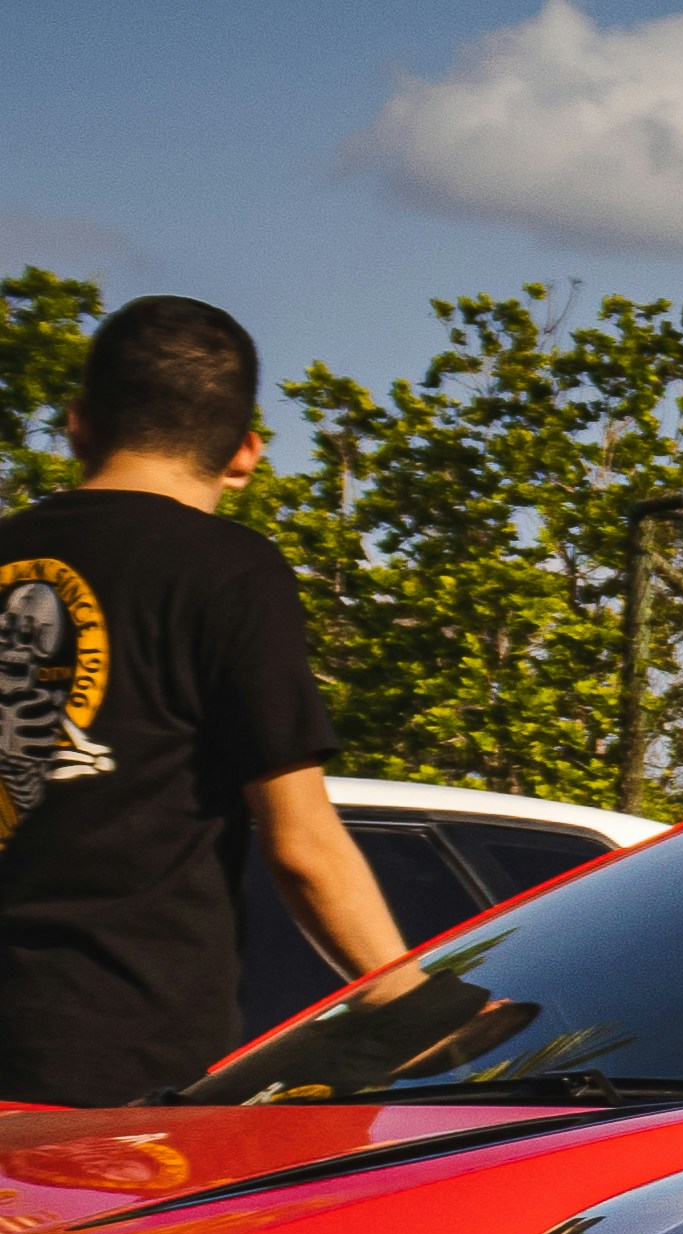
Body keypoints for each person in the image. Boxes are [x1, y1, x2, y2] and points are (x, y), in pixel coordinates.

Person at [0, 295, 404, 1108]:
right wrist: (409, 1000)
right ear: (246, 452)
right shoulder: (228, 572)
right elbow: (301, 843)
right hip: (119, 1070)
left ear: (77, 424)